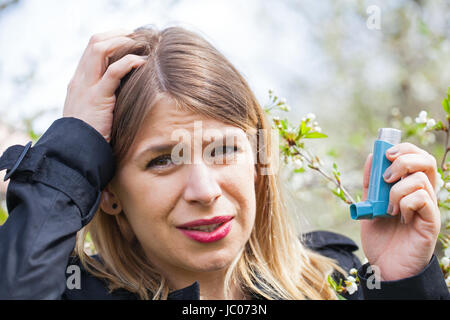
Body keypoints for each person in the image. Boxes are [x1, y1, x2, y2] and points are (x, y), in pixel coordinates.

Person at [0, 25, 448, 300]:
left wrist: (405, 283)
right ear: (111, 192)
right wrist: (71, 150)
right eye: (161, 161)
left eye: (222, 150)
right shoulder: (68, 290)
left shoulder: (341, 283)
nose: (204, 189)